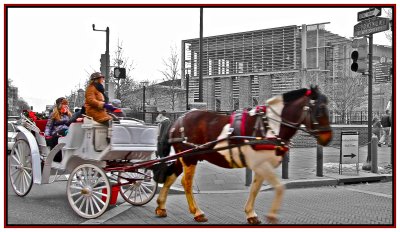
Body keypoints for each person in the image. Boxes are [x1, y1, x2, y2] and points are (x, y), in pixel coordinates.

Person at [44, 97, 72, 162]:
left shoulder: (69, 115)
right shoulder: (53, 114)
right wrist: (47, 136)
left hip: (66, 132)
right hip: (56, 133)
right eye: (64, 104)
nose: (66, 106)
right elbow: (48, 126)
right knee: (61, 133)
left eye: (66, 104)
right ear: (60, 105)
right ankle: (57, 158)